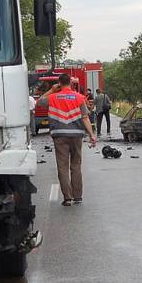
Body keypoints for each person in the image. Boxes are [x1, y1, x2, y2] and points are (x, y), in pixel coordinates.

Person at [39, 74, 97, 206]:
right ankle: (78, 196)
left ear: (59, 83)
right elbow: (85, 117)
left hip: (60, 135)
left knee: (63, 167)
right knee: (76, 165)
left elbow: (40, 101)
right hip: (76, 135)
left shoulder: (53, 97)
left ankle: (68, 198)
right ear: (71, 83)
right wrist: (92, 135)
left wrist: (52, 90)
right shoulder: (79, 97)